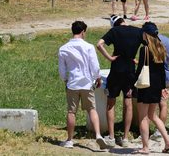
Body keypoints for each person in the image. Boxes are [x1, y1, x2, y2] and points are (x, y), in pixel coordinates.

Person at [58, 21, 109, 149]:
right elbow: (95, 66)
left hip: (73, 83)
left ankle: (69, 140)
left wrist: (65, 80)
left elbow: (62, 70)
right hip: (87, 83)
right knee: (92, 109)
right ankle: (98, 134)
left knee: (71, 111)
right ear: (83, 32)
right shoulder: (89, 47)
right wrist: (97, 78)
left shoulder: (63, 48)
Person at [96, 15, 144, 147]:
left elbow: (99, 44)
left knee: (111, 103)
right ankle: (125, 137)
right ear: (124, 21)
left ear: (114, 25)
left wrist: (110, 58)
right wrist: (137, 60)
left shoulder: (114, 31)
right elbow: (148, 46)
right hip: (130, 71)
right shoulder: (138, 31)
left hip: (116, 70)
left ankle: (111, 137)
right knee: (128, 103)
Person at [134, 22, 169, 154]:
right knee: (153, 115)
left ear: (145, 34)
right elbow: (162, 70)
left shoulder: (144, 49)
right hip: (157, 85)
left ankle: (145, 147)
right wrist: (164, 87)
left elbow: (140, 69)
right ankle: (168, 141)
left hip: (146, 85)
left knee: (143, 117)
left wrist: (132, 83)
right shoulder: (160, 47)